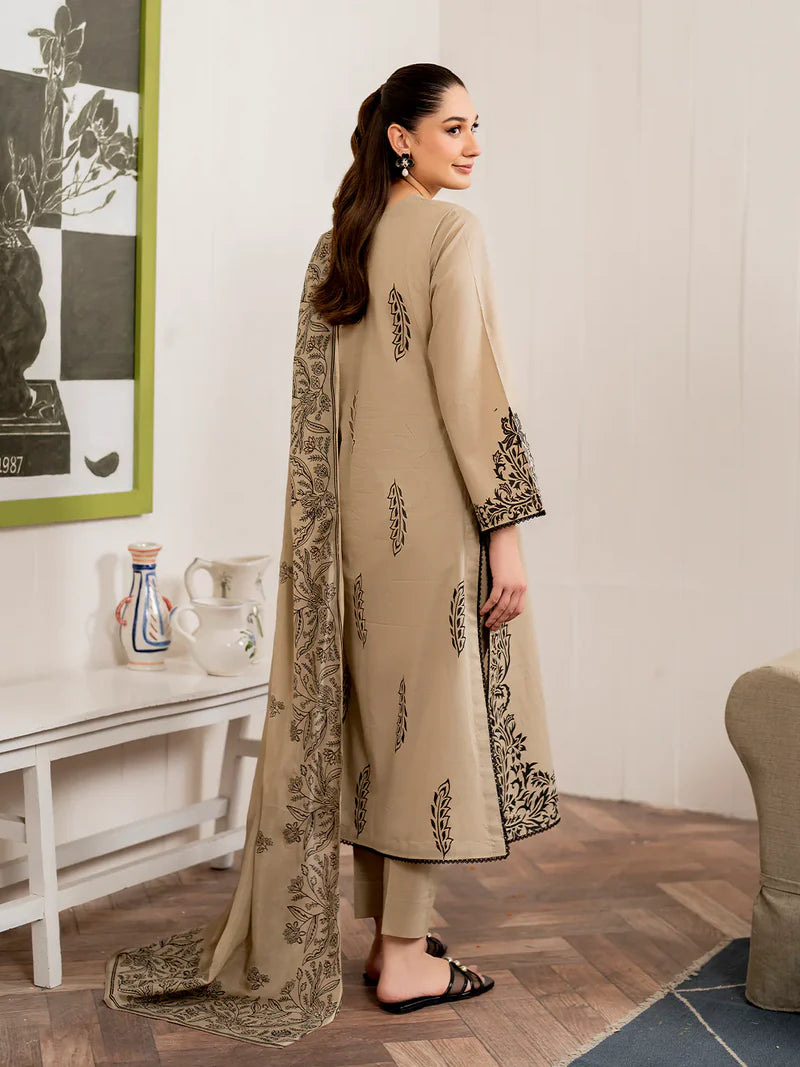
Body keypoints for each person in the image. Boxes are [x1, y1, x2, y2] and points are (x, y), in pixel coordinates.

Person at [103, 62, 559, 1046]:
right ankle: (403, 952)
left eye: (477, 127)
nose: (471, 145)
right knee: (424, 731)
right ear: (400, 136)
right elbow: (471, 391)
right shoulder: (450, 233)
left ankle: (399, 936)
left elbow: (317, 420)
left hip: (343, 531)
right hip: (432, 524)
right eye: (453, 129)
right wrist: (505, 530)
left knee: (369, 723)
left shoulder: (334, 245)